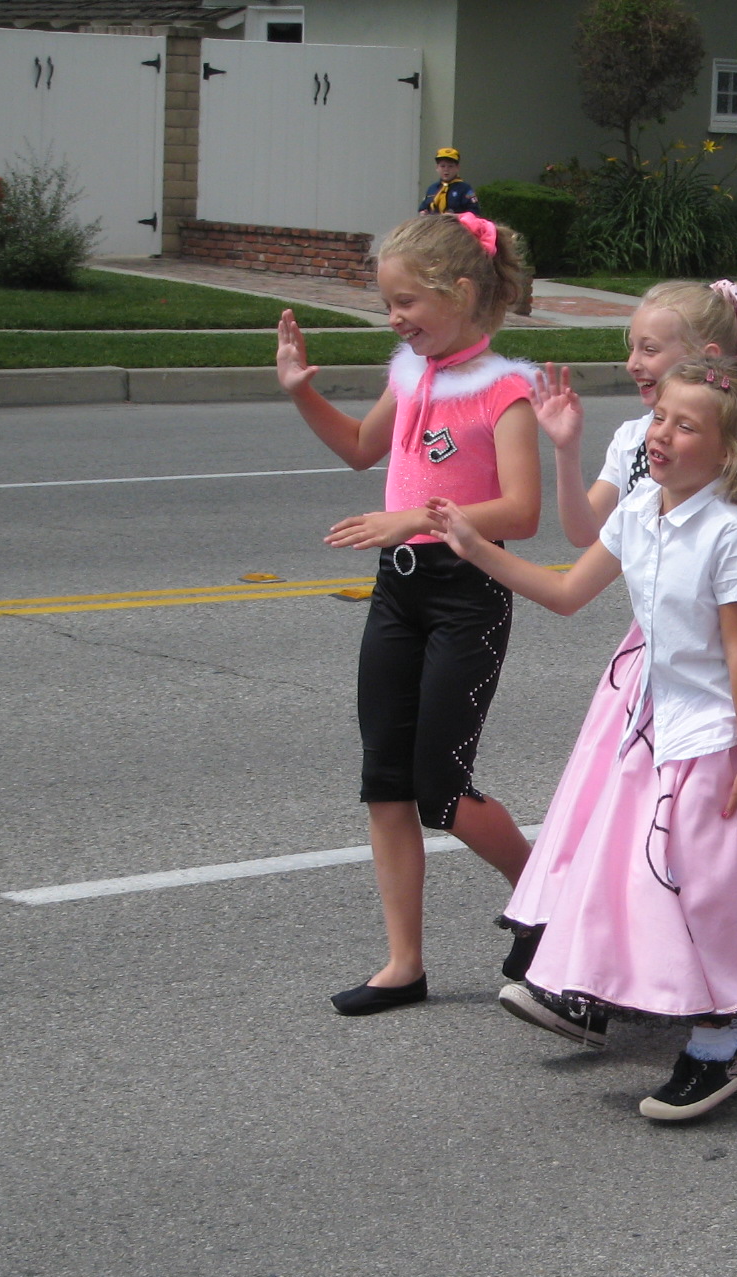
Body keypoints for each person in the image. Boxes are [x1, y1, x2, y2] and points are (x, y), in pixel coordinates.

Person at [430, 359, 737, 1119]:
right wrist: (477, 547)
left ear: (730, 454)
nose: (661, 434)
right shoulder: (641, 509)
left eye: (685, 425)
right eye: (659, 419)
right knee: (656, 875)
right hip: (664, 721)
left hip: (727, 737)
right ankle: (659, 1004)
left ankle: (728, 1039)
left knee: (709, 887)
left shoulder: (730, 534)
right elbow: (570, 593)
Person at [500, 277, 737, 1008]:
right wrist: (567, 450)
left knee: (690, 836)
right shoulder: (636, 441)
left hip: (707, 668)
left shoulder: (733, 444)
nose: (636, 361)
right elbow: (588, 543)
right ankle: (602, 963)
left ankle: (720, 979)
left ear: (703, 357)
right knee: (624, 823)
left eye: (650, 347)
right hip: (649, 667)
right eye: (631, 348)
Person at [274, 211, 538, 1014]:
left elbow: (521, 513)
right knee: (385, 782)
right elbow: (361, 447)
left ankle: (548, 902)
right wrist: (302, 392)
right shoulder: (409, 375)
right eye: (388, 303)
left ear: (461, 293)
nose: (394, 318)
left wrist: (414, 521)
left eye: (405, 302)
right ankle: (403, 963)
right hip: (399, 593)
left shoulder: (505, 390)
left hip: (468, 595)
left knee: (439, 786)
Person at [419, 148, 479, 216]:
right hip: (435, 225)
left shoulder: (464, 189)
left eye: (450, 166)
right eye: (442, 166)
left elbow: (474, 213)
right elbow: (423, 209)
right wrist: (423, 213)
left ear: (457, 168)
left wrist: (456, 216)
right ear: (437, 168)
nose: (446, 170)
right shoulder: (432, 188)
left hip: (455, 225)